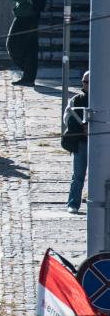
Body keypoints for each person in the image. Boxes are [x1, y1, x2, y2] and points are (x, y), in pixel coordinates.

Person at [3, 0, 47, 86]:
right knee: (30, 47)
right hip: (33, 14)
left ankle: (28, 74)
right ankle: (29, 77)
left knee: (12, 45)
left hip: (25, 15)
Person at [65, 71, 90, 213]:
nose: (85, 85)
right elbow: (67, 119)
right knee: (78, 175)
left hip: (100, 143)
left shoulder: (104, 98)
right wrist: (82, 127)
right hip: (81, 143)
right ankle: (73, 204)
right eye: (84, 82)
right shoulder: (76, 99)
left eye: (87, 82)